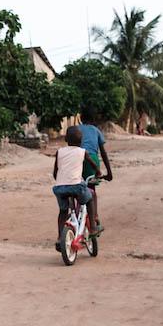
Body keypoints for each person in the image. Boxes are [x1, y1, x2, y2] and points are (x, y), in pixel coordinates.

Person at [52, 126, 101, 251]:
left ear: (66, 139)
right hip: (76, 186)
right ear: (81, 141)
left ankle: (59, 237)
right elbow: (92, 164)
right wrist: (98, 172)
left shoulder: (59, 152)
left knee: (63, 212)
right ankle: (93, 228)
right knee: (90, 197)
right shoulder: (82, 152)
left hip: (59, 187)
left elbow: (55, 173)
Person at [78, 107, 113, 235]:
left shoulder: (77, 129)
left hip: (77, 157)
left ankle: (76, 213)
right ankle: (95, 216)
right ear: (93, 119)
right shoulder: (96, 131)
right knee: (91, 189)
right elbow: (103, 153)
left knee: (76, 184)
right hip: (91, 160)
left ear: (81, 118)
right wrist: (109, 172)